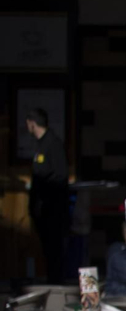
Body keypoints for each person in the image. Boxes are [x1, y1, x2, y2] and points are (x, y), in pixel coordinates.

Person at [25, 108, 69, 283]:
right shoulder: (41, 144)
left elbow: (60, 175)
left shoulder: (53, 144)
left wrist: (44, 191)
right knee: (47, 247)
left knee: (54, 247)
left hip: (51, 207)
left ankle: (56, 281)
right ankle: (52, 279)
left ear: (32, 123)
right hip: (42, 207)